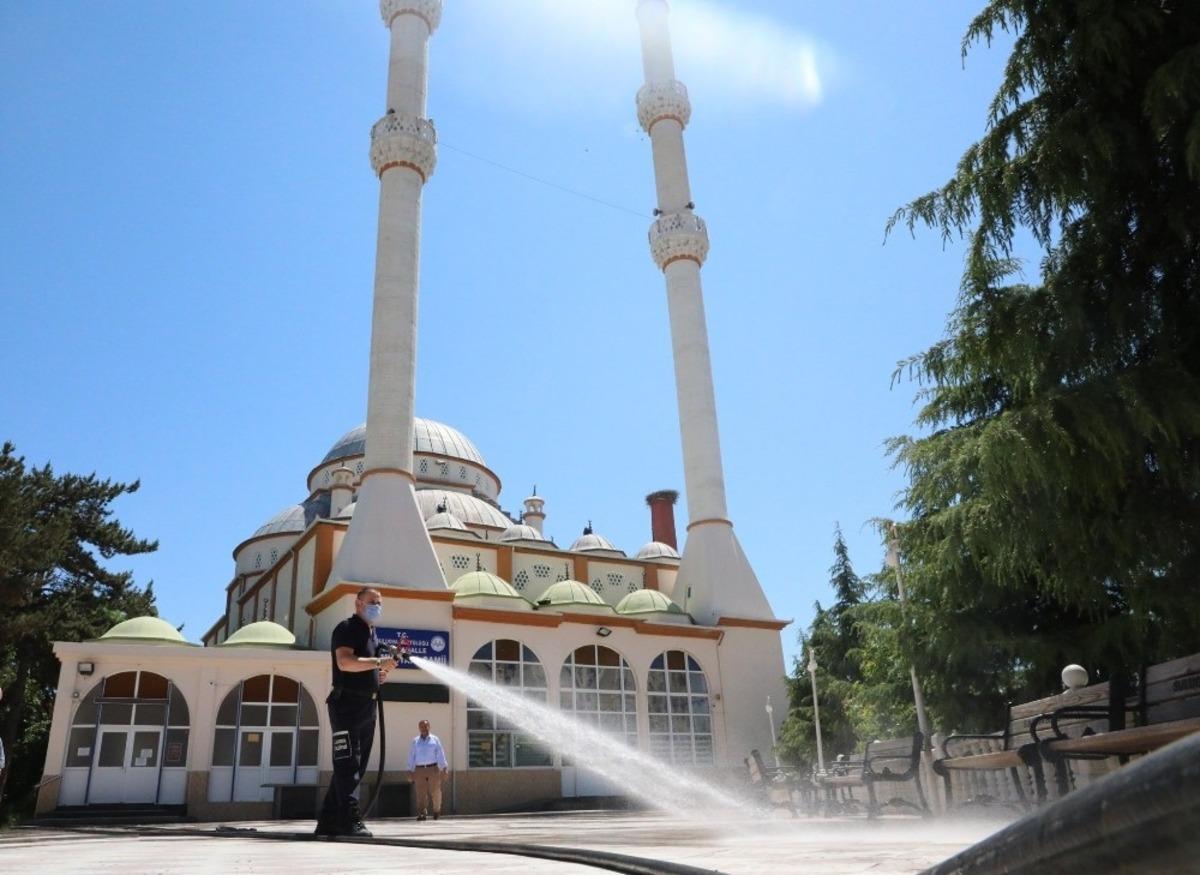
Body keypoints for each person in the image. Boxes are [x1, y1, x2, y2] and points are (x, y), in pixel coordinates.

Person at [315, 587, 392, 837]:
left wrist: (380, 673)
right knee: (349, 763)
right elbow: (345, 662)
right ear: (358, 604)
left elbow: (368, 667)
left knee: (357, 764)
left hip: (367, 706)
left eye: (379, 603)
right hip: (346, 705)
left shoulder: (373, 635)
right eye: (372, 602)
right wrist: (378, 662)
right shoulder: (347, 628)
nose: (376, 607)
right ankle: (351, 821)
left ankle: (328, 821)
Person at [406, 719, 448, 821]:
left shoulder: (435, 739)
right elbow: (412, 755)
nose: (423, 728)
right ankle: (422, 813)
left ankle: (436, 810)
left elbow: (440, 754)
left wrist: (444, 767)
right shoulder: (415, 741)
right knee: (421, 793)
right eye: (421, 727)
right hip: (419, 769)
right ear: (419, 728)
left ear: (429, 726)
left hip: (433, 768)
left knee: (435, 791)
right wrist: (409, 770)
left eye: (425, 726)